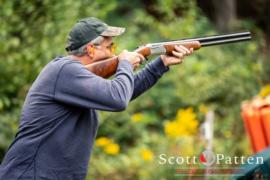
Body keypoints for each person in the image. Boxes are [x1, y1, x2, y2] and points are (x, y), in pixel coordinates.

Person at [0, 17, 193, 179]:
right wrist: (124, 64)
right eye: (111, 46)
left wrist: (161, 63)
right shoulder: (64, 70)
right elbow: (117, 99)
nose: (115, 52)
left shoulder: (77, 78)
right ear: (91, 49)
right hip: (29, 175)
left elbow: (124, 92)